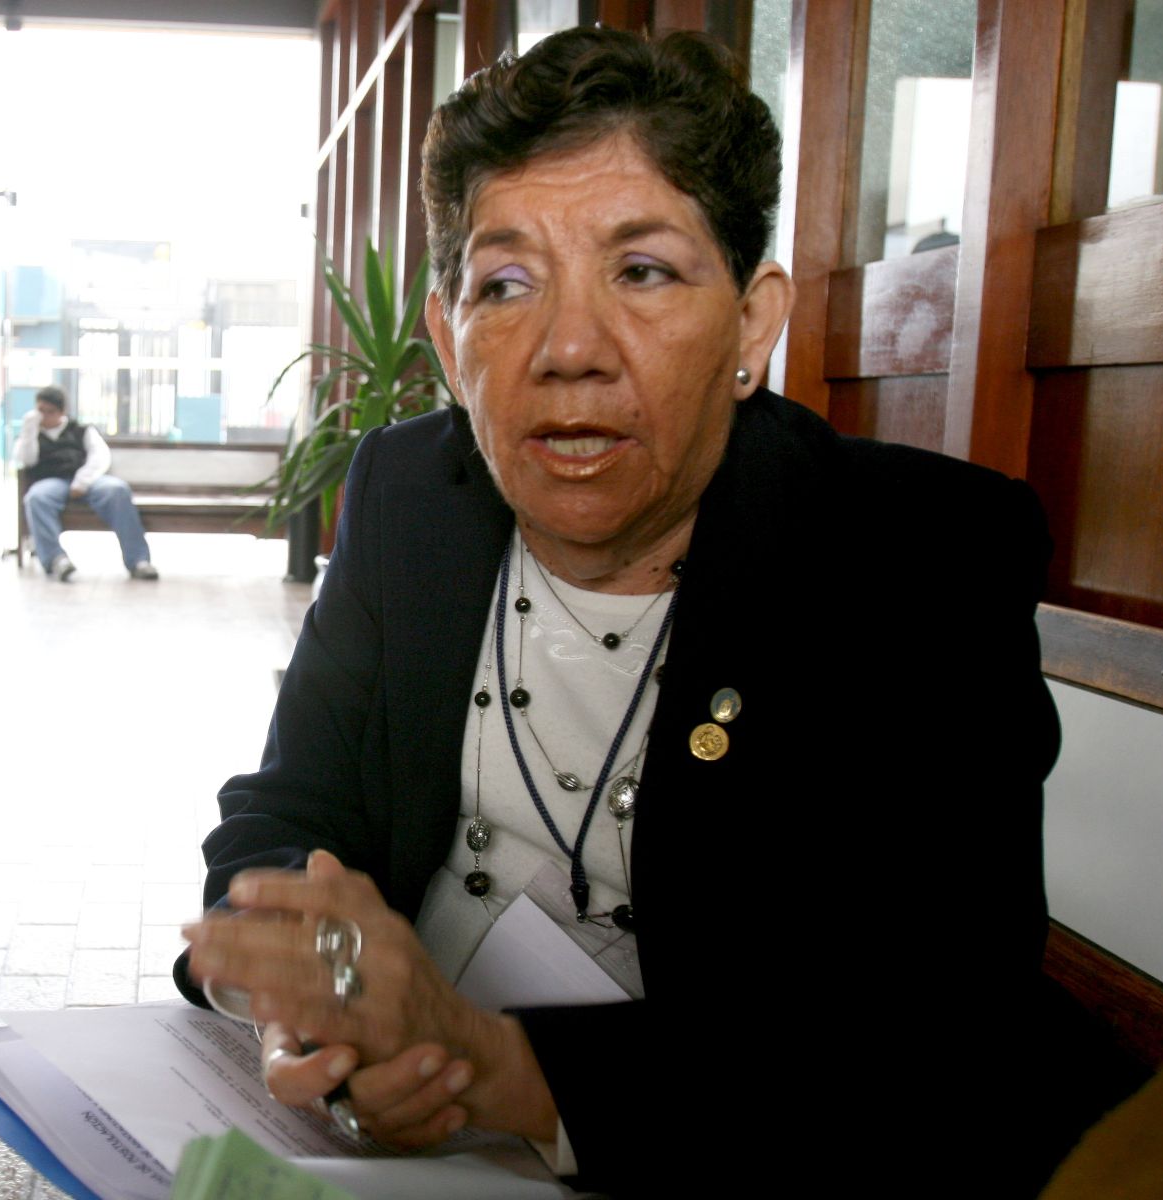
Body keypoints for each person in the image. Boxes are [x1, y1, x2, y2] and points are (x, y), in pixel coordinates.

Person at [177, 28, 1089, 1197]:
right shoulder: (410, 499)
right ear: (453, 344)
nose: (568, 350)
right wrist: (301, 1009)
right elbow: (286, 811)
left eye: (643, 271)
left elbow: (941, 1025)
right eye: (507, 284)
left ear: (753, 324)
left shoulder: (915, 555)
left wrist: (502, 1070)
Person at [16, 385, 157, 581]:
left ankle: (139, 561)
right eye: (41, 410)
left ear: (62, 411)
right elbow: (27, 459)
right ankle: (56, 560)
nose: (45, 416)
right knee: (36, 498)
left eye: (51, 412)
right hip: (52, 481)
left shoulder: (82, 431)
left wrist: (81, 482)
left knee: (117, 490)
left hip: (88, 480)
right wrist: (29, 431)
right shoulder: (31, 433)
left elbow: (99, 457)